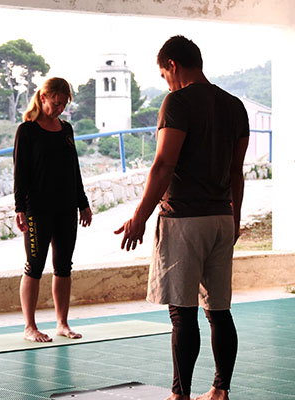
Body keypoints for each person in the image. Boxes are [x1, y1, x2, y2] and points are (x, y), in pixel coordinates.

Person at [115, 35, 249, 400]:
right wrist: (234, 219)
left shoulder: (177, 102)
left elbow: (163, 164)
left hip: (184, 219)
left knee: (182, 312)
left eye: (164, 75)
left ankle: (180, 395)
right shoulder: (235, 106)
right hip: (222, 218)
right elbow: (236, 172)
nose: (167, 83)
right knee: (219, 310)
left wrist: (140, 216)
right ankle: (220, 390)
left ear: (172, 65)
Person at [14, 77, 93, 343]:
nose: (59, 109)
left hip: (66, 207)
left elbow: (74, 170)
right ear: (43, 98)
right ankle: (30, 326)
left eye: (63, 105)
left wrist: (83, 203)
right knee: (34, 265)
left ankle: (62, 323)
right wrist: (20, 208)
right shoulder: (27, 131)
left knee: (64, 266)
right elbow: (20, 172)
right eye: (55, 103)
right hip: (37, 209)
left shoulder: (66, 129)